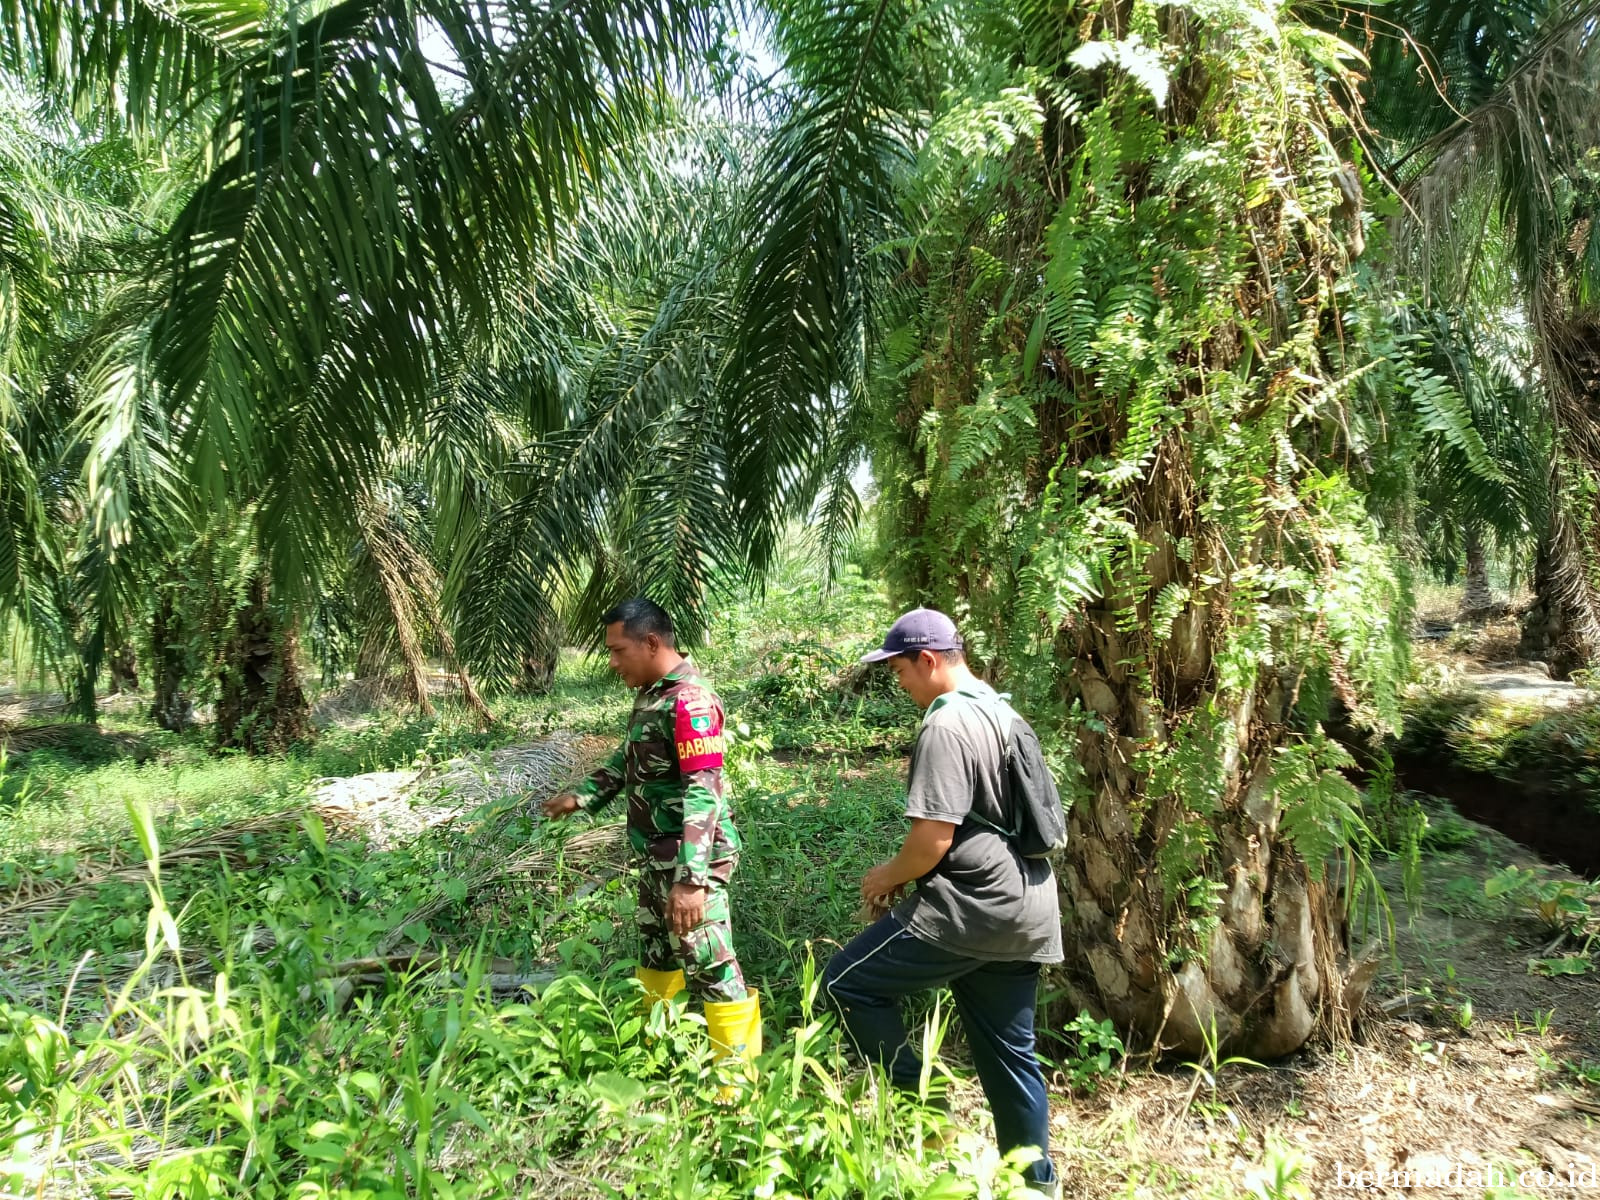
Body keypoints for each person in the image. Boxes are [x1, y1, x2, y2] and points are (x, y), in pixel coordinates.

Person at [822, 607, 1063, 1196]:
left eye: (899, 669)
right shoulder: (1002, 711)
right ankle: (1036, 1185)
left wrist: (886, 876)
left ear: (928, 660)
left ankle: (924, 1115)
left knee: (844, 984)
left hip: (971, 906)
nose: (898, 682)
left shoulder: (946, 725)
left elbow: (932, 839)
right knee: (1012, 1055)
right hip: (1028, 905)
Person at [543, 597, 760, 1080]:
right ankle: (655, 1056)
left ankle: (738, 1084)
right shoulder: (652, 694)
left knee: (710, 964)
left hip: (689, 863)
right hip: (656, 856)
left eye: (618, 651)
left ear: (652, 642)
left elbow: (704, 794)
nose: (612, 662)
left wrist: (692, 881)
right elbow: (629, 760)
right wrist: (581, 797)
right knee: (656, 953)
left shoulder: (691, 702)